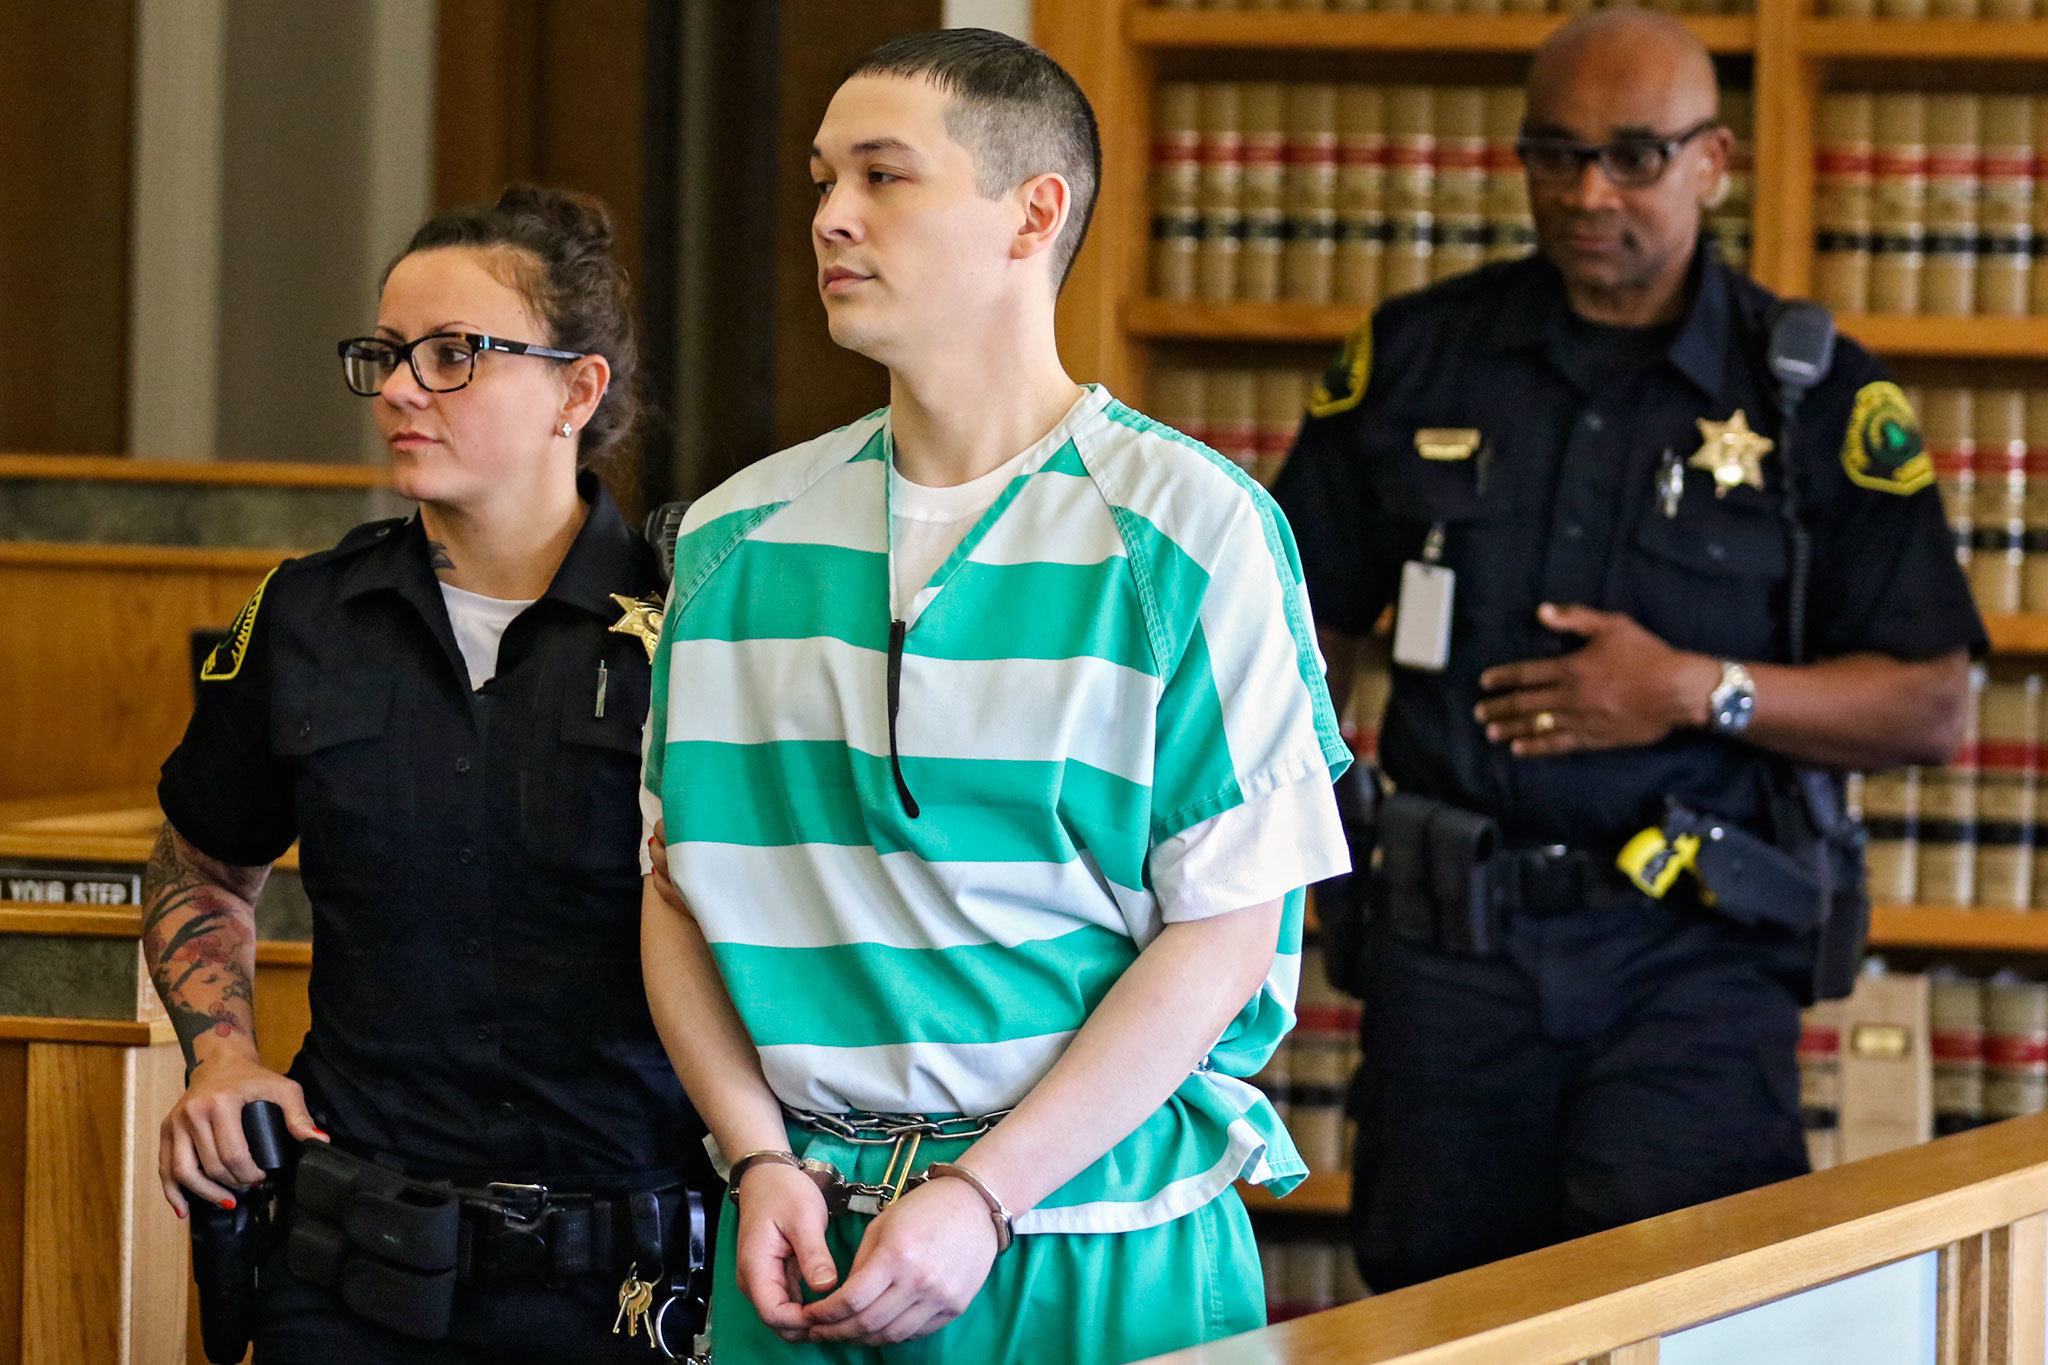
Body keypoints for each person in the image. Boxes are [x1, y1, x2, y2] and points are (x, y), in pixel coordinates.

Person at [636, 28, 1350, 1364]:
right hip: (799, 1234)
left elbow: (1224, 938)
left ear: (1035, 213)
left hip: (1095, 1237)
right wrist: (755, 1158)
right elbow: (675, 891)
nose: (829, 216)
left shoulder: (1194, 534)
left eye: (884, 176)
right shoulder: (732, 539)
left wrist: (980, 1194)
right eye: (820, 178)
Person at [1272, 8, 1985, 1293]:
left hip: (1691, 961)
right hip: (1450, 955)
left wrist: (1686, 691)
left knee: (1684, 1314)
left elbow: (1928, 703)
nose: (1587, 192)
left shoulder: (1810, 400)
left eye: (1632, 157)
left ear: (1711, 160)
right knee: (1437, 1318)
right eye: (1553, 155)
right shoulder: (1415, 362)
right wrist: (1327, 835)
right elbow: (1286, 641)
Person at [147, 185, 709, 1362]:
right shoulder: (305, 615)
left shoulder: (697, 623)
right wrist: (223, 1053)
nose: (401, 388)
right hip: (355, 1273)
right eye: (389, 354)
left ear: (577, 387)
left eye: (455, 354)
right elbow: (203, 861)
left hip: (627, 1277)